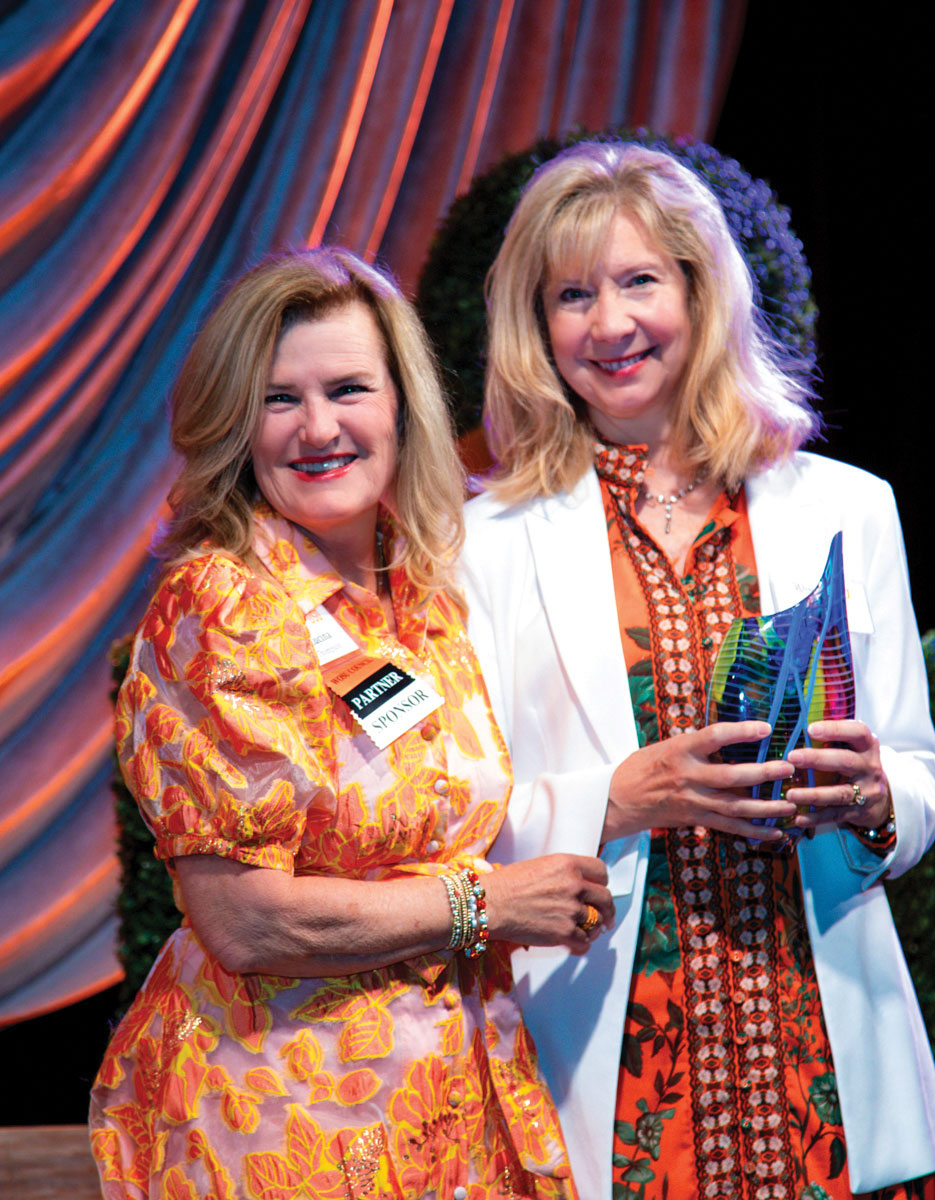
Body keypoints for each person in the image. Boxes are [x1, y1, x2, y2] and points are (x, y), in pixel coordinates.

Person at [459, 143, 935, 1200]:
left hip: (828, 1061)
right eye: (572, 296)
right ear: (534, 327)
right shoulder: (480, 544)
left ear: (700, 291)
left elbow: (920, 772)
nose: (609, 324)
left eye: (640, 281)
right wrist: (617, 799)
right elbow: (456, 814)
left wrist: (875, 799)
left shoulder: (847, 505)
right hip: (613, 1072)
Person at [90, 247, 613, 1200]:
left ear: (402, 405)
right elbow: (243, 921)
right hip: (287, 1118)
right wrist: (487, 905)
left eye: (348, 390)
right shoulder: (225, 604)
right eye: (279, 399)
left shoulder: (424, 596)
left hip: (450, 1099)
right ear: (235, 424)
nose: (319, 427)